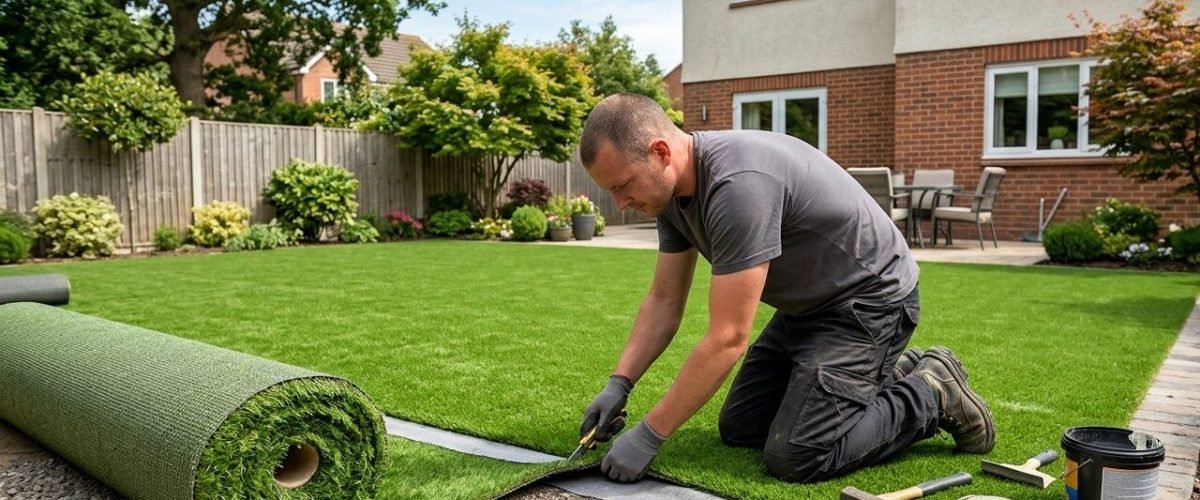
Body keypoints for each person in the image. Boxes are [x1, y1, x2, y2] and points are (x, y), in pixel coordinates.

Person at [575, 93, 995, 484]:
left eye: (622, 185)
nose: (620, 204)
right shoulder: (671, 198)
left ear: (660, 153)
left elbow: (727, 338)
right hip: (807, 308)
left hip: (869, 302)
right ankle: (889, 373)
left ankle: (931, 391)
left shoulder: (737, 187)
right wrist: (620, 382)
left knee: (798, 455)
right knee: (742, 427)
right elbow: (664, 300)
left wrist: (651, 434)